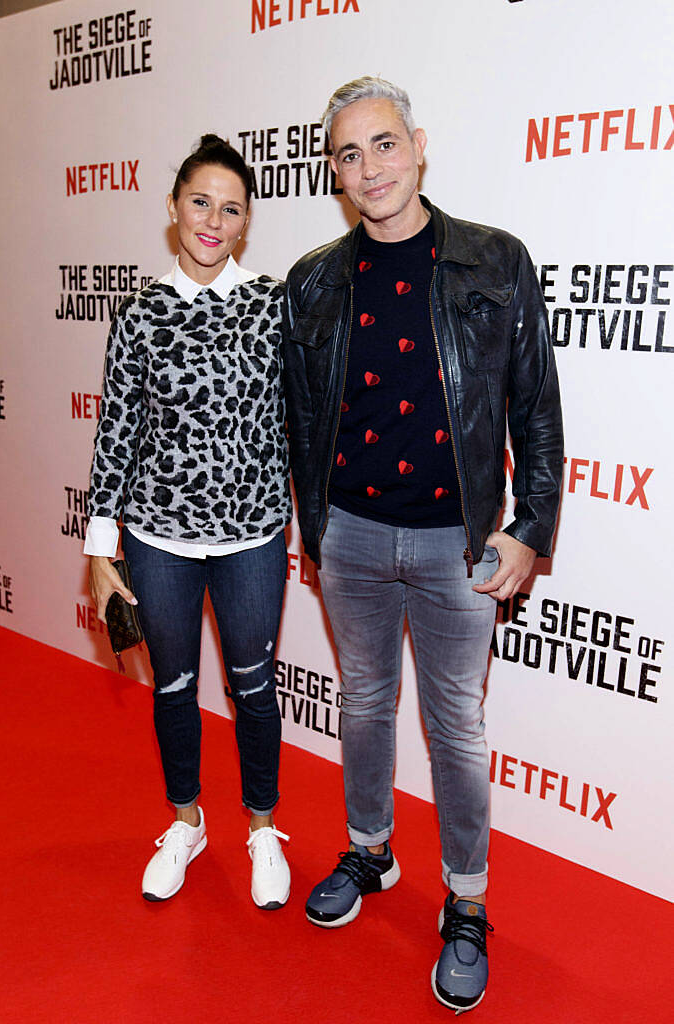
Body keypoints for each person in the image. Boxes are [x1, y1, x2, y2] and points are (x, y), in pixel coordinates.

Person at [282, 77, 563, 1012]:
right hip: (352, 536)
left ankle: (469, 903)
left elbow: (536, 407)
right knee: (361, 706)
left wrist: (529, 527)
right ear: (333, 170)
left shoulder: (495, 260)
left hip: (456, 542)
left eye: (384, 145)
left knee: (457, 730)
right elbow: (302, 419)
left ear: (419, 145)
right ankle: (370, 851)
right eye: (349, 155)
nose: (370, 169)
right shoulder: (314, 280)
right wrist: (315, 529)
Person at [85, 134, 292, 910]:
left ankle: (263, 828)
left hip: (252, 539)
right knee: (172, 688)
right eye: (199, 202)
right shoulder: (139, 316)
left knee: (254, 689)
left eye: (230, 208)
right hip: (158, 539)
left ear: (245, 224)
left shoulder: (271, 305)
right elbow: (117, 429)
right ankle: (186, 821)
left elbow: (298, 419)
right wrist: (102, 544)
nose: (212, 219)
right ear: (173, 210)